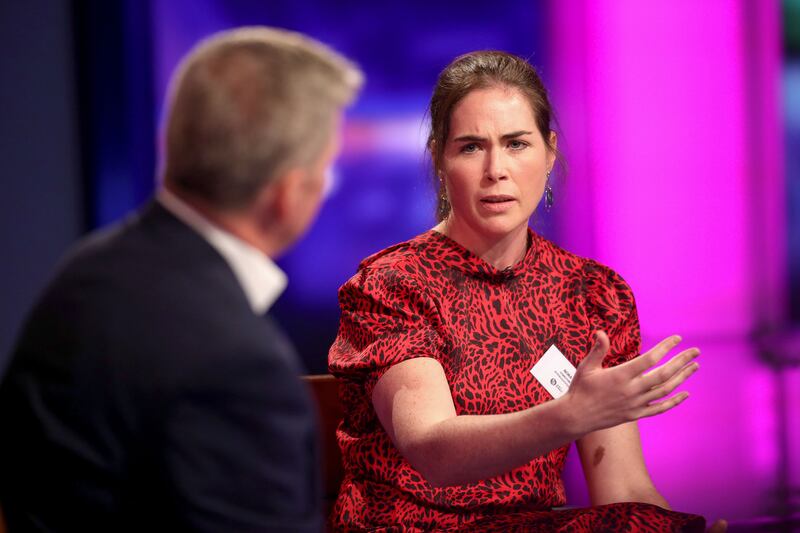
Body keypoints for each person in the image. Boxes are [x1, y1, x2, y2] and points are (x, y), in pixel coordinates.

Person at [329, 51, 723, 532]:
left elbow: (622, 490)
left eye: (517, 143)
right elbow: (433, 452)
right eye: (472, 147)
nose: (496, 168)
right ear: (439, 158)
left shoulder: (592, 295)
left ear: (549, 152)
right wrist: (568, 415)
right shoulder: (394, 285)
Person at [0, 27, 362, 532]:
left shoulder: (85, 271)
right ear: (287, 193)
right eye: (326, 170)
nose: (326, 186)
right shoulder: (237, 364)